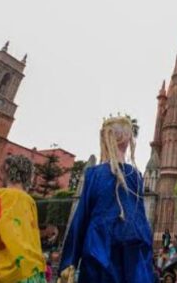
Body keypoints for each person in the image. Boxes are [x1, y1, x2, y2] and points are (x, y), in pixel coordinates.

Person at [59, 115, 153, 282]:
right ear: (127, 139)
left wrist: (69, 261)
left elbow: (80, 219)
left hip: (98, 250)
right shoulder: (136, 176)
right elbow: (141, 222)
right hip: (129, 254)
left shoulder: (94, 174)